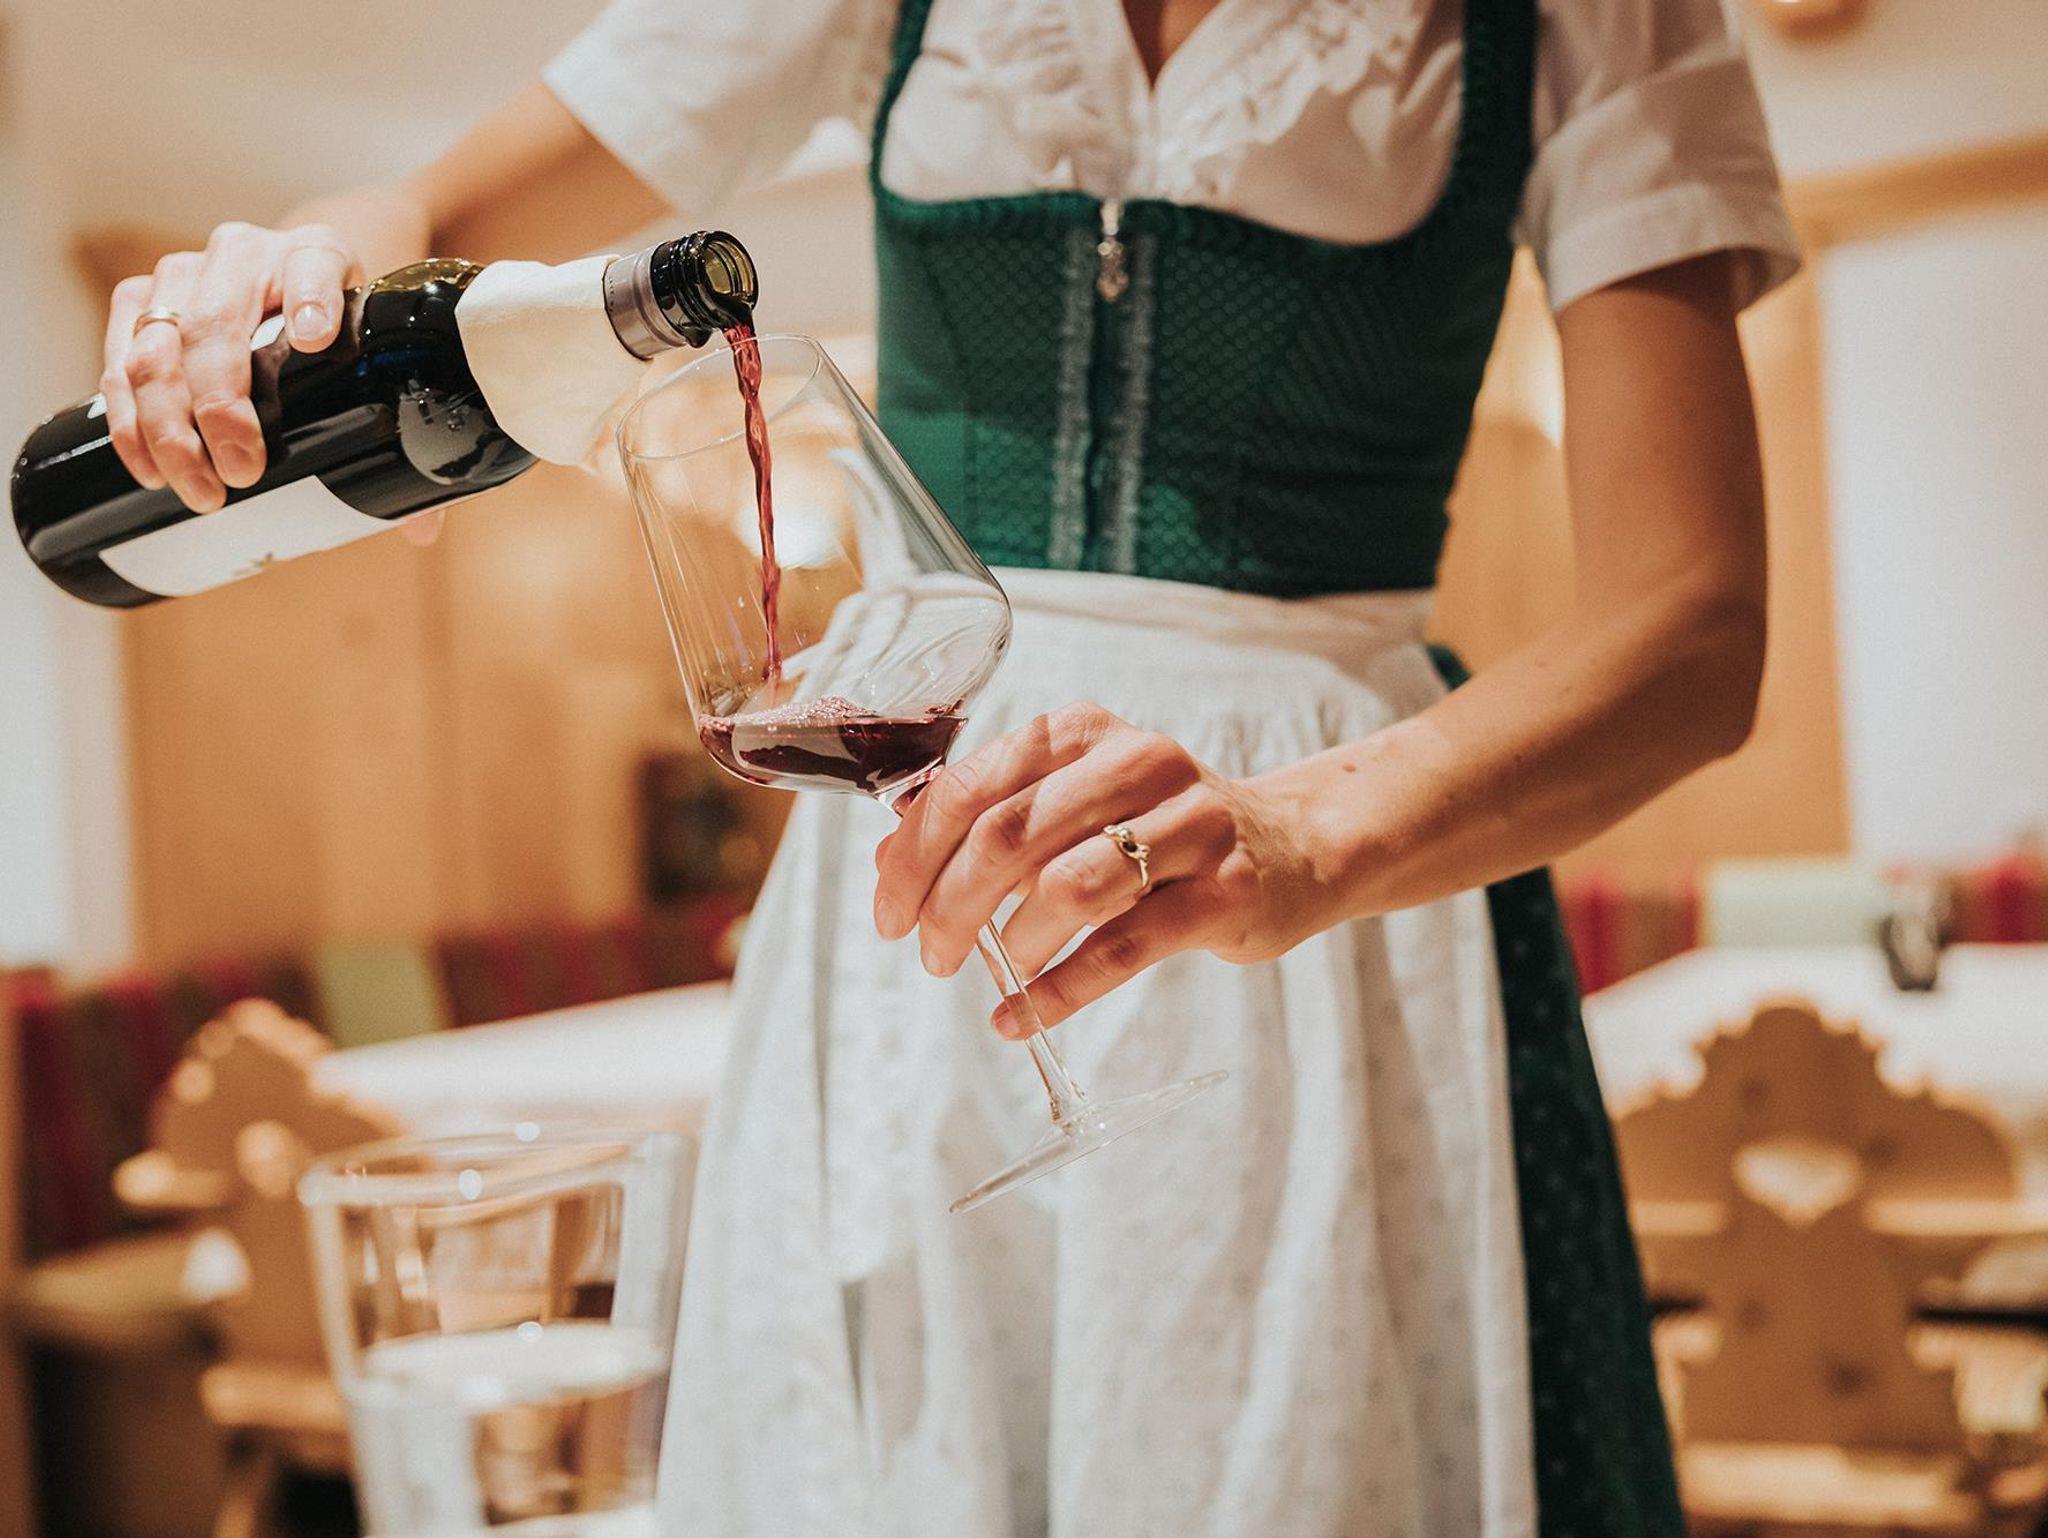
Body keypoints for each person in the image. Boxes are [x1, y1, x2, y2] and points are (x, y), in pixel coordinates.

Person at [98, 0, 1798, 1531]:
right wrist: (304, 261)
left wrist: (1302, 834)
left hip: (1335, 888)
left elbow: (1692, 630)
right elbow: (432, 227)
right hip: (908, 866)